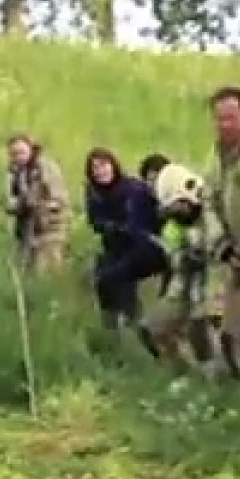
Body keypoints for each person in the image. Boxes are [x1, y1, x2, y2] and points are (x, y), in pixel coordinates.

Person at [144, 162, 232, 379]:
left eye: (177, 207)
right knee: (153, 327)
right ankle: (181, 373)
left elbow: (220, 257)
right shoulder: (176, 226)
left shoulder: (213, 214)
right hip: (186, 283)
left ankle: (217, 377)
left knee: (201, 323)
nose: (175, 214)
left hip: (217, 279)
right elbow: (178, 265)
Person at [83, 147, 166, 352]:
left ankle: (149, 342)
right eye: (95, 168)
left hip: (137, 248)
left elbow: (150, 218)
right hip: (113, 247)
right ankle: (113, 341)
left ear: (113, 165)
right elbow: (94, 221)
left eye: (103, 165)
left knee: (125, 295)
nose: (100, 171)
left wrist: (131, 229)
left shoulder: (133, 188)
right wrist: (108, 227)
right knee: (103, 284)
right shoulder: (94, 193)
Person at [203, 86, 240, 369]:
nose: (225, 125)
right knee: (228, 327)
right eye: (219, 118)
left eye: (231, 117)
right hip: (233, 252)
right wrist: (221, 242)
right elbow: (209, 200)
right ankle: (236, 380)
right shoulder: (216, 156)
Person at [3, 134, 71, 273]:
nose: (18, 157)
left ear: (30, 149)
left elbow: (59, 198)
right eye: (14, 154)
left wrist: (39, 206)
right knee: (27, 274)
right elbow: (10, 201)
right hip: (26, 231)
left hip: (50, 230)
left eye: (21, 152)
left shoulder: (46, 168)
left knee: (46, 273)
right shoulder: (14, 173)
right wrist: (18, 205)